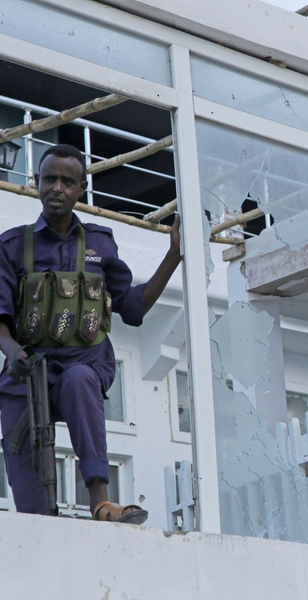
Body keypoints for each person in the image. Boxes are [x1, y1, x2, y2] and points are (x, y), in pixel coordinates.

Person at [0, 144, 182, 524]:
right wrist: (13, 350)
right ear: (36, 183)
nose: (57, 188)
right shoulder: (13, 245)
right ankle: (39, 524)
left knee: (81, 380)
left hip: (84, 363)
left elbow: (132, 307)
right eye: (49, 179)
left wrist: (173, 257)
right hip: (29, 371)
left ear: (81, 189)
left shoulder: (100, 242)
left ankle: (101, 502)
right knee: (33, 512)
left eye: (68, 181)